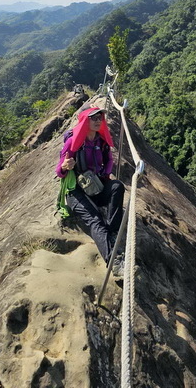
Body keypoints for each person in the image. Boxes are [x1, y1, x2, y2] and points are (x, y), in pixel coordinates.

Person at [56, 106, 125, 278]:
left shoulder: (100, 141)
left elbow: (109, 159)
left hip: (96, 187)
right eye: (93, 118)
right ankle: (113, 263)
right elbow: (59, 171)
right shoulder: (73, 142)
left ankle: (112, 231)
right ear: (84, 120)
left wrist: (104, 174)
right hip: (76, 192)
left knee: (117, 186)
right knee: (96, 220)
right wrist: (65, 167)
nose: (97, 121)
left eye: (99, 118)